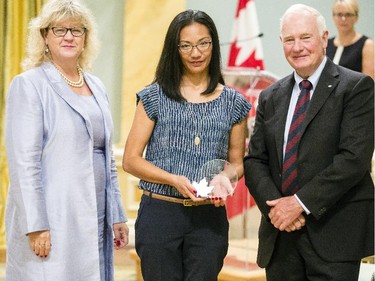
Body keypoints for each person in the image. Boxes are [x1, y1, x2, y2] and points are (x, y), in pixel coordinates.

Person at [244, 4, 374, 281]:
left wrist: (298, 204)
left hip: (333, 236)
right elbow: (255, 160)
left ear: (324, 38)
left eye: (305, 37)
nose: (297, 47)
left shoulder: (356, 87)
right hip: (281, 237)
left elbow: (353, 159)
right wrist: (277, 209)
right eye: (289, 40)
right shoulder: (270, 96)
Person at [122, 9, 251, 281]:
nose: (196, 53)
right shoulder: (154, 96)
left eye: (203, 43)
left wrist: (223, 178)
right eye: (186, 45)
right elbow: (131, 160)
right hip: (160, 214)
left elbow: (237, 163)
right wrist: (172, 179)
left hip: (208, 220)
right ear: (175, 48)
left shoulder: (234, 103)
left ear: (213, 45)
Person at [4, 0, 129, 280]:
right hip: (55, 215)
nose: (69, 36)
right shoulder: (29, 85)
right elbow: (24, 163)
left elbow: (107, 158)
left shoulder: (96, 86)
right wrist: (36, 224)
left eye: (76, 29)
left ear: (86, 38)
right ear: (44, 37)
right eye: (59, 30)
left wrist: (117, 213)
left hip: (96, 212)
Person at [326, 0, 374, 79]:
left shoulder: (367, 44)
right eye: (339, 14)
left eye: (348, 14)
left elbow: (369, 82)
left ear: (356, 17)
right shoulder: (326, 44)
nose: (343, 18)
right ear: (333, 17)